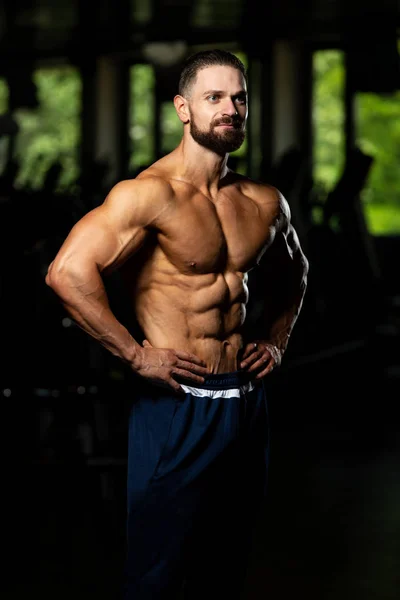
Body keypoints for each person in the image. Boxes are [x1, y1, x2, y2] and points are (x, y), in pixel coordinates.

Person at [45, 49, 309, 600]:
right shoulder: (148, 194)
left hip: (245, 400)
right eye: (214, 98)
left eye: (238, 97)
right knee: (156, 569)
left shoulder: (264, 201)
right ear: (183, 109)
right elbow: (67, 273)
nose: (229, 109)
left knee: (227, 561)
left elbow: (296, 272)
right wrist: (136, 354)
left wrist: (277, 341)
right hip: (178, 401)